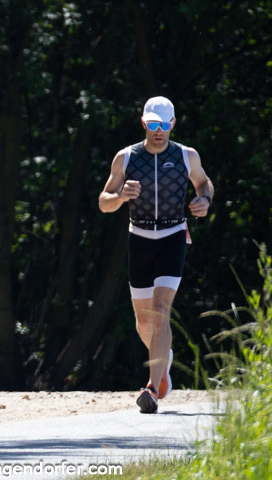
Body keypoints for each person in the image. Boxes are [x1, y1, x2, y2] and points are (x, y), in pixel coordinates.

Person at [98, 96, 214, 414]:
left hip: (172, 237)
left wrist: (204, 201)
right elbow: (104, 201)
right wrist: (121, 196)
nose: (158, 131)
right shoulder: (126, 157)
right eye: (153, 124)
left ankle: (152, 387)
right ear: (144, 123)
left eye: (164, 125)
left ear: (173, 124)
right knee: (143, 322)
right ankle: (164, 360)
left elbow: (204, 184)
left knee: (161, 310)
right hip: (140, 239)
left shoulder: (187, 156)